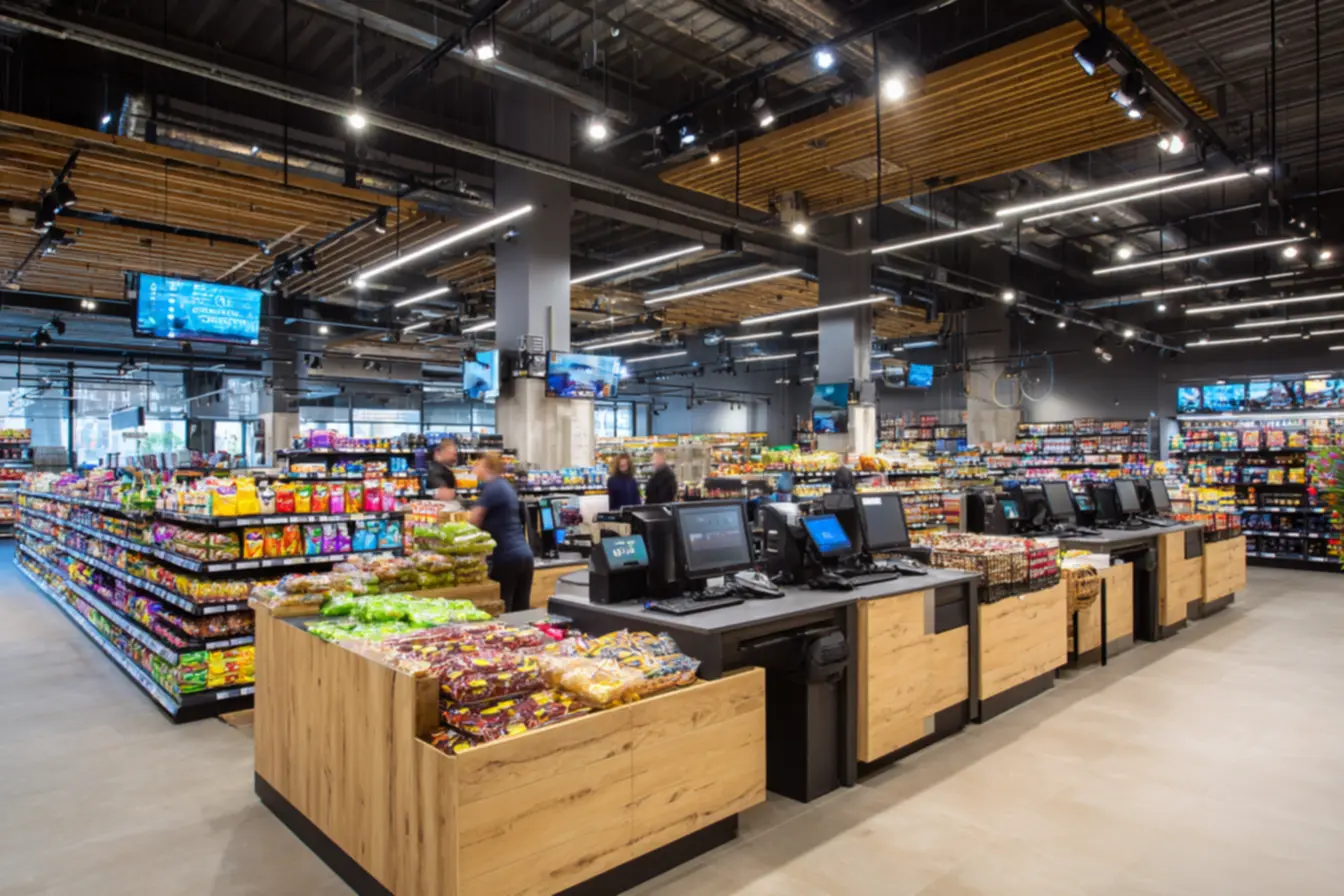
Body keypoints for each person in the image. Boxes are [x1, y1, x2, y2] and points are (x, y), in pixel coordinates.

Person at [467, 452, 535, 613]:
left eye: (478, 465)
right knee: (521, 611)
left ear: (487, 467)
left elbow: (473, 521)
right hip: (524, 555)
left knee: (503, 609)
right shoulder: (506, 486)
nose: (475, 469)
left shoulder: (492, 489)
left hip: (506, 558)